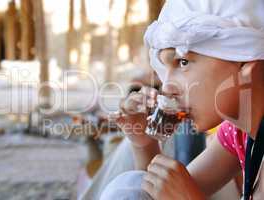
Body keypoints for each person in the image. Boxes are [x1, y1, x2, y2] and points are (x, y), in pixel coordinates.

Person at [101, 0, 264, 199]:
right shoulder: (238, 135)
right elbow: (155, 195)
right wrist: (144, 142)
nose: (167, 87)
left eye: (183, 62)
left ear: (246, 65)